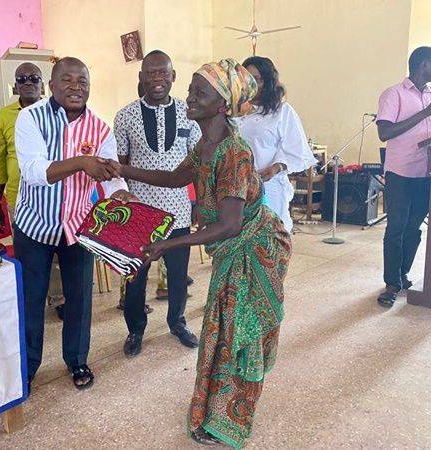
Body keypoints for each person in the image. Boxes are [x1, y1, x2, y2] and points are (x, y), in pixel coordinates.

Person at [110, 58, 291, 447]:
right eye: (191, 90)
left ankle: (232, 419)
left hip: (253, 251)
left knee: (235, 335)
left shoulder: (233, 153)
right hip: (232, 251)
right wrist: (122, 170)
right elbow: (174, 178)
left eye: (199, 92)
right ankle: (213, 410)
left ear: (223, 104)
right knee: (219, 331)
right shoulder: (205, 144)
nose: (189, 98)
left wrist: (167, 244)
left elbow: (229, 225)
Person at [14, 57, 134, 389]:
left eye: (83, 81)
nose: (75, 87)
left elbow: (111, 175)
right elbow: (34, 172)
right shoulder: (31, 118)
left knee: (80, 299)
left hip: (78, 225)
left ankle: (77, 361)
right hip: (35, 225)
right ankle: (28, 366)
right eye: (67, 80)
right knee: (31, 299)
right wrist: (81, 162)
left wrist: (120, 193)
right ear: (51, 85)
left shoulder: (100, 128)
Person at [114, 50, 201, 356]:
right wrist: (126, 204)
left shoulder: (189, 113)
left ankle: (177, 323)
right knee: (136, 276)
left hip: (178, 211)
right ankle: (135, 330)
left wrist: (199, 203)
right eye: (151, 73)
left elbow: (198, 163)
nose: (157, 79)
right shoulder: (125, 116)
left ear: (173, 76)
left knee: (178, 275)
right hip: (140, 213)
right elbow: (120, 165)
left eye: (163, 72)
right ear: (141, 77)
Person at [0, 63, 65, 316]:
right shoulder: (3, 116)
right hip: (18, 198)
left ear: (43, 84)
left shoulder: (59, 111)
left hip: (53, 196)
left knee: (56, 252)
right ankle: (32, 302)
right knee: (29, 255)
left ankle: (58, 299)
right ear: (15, 86)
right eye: (22, 79)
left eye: (34, 78)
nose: (28, 82)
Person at [234, 56, 316, 233]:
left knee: (268, 237)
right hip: (236, 189)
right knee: (238, 236)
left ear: (267, 82)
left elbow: (297, 150)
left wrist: (276, 167)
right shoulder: (234, 111)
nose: (251, 84)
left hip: (267, 187)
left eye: (256, 79)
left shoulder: (282, 111)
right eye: (246, 79)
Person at [376, 46, 431, 307]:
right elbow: (384, 133)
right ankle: (391, 284)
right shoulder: (393, 94)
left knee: (414, 228)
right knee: (396, 228)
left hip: (425, 173)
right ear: (423, 64)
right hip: (400, 172)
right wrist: (424, 114)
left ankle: (402, 275)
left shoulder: (430, 95)